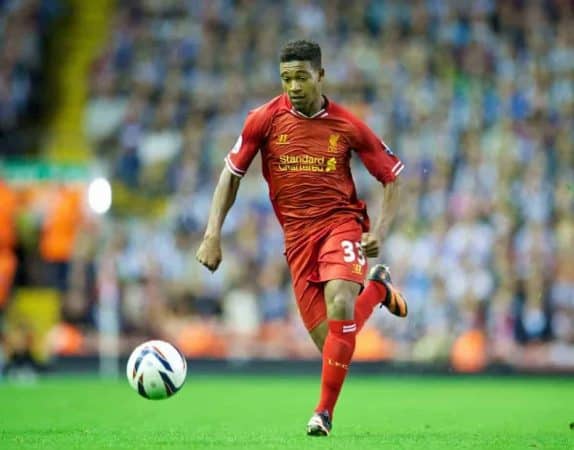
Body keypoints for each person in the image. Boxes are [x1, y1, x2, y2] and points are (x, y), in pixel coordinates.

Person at [196, 40, 408, 436]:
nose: (293, 86)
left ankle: (322, 414)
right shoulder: (262, 119)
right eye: (286, 78)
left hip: (340, 224)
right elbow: (231, 175)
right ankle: (378, 291)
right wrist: (212, 235)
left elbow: (391, 176)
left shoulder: (348, 125)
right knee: (333, 342)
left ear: (320, 76)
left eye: (301, 77)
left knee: (341, 300)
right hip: (296, 241)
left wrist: (378, 230)